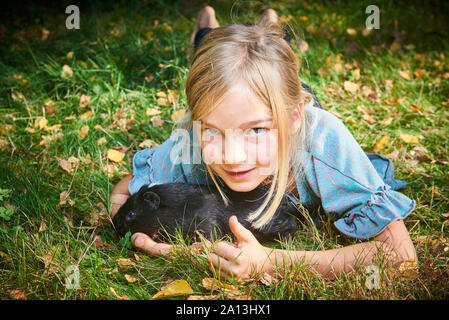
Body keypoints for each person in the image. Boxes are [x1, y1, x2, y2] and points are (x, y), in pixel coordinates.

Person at [109, 6, 417, 280]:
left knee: (274, 63)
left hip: (293, 103)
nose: (233, 156)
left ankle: (272, 28)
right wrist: (153, 243)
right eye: (213, 131)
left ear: (294, 118)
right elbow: (124, 191)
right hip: (251, 89)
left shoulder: (324, 145)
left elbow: (401, 257)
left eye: (256, 130)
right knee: (220, 56)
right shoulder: (189, 146)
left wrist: (271, 261)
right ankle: (206, 27)